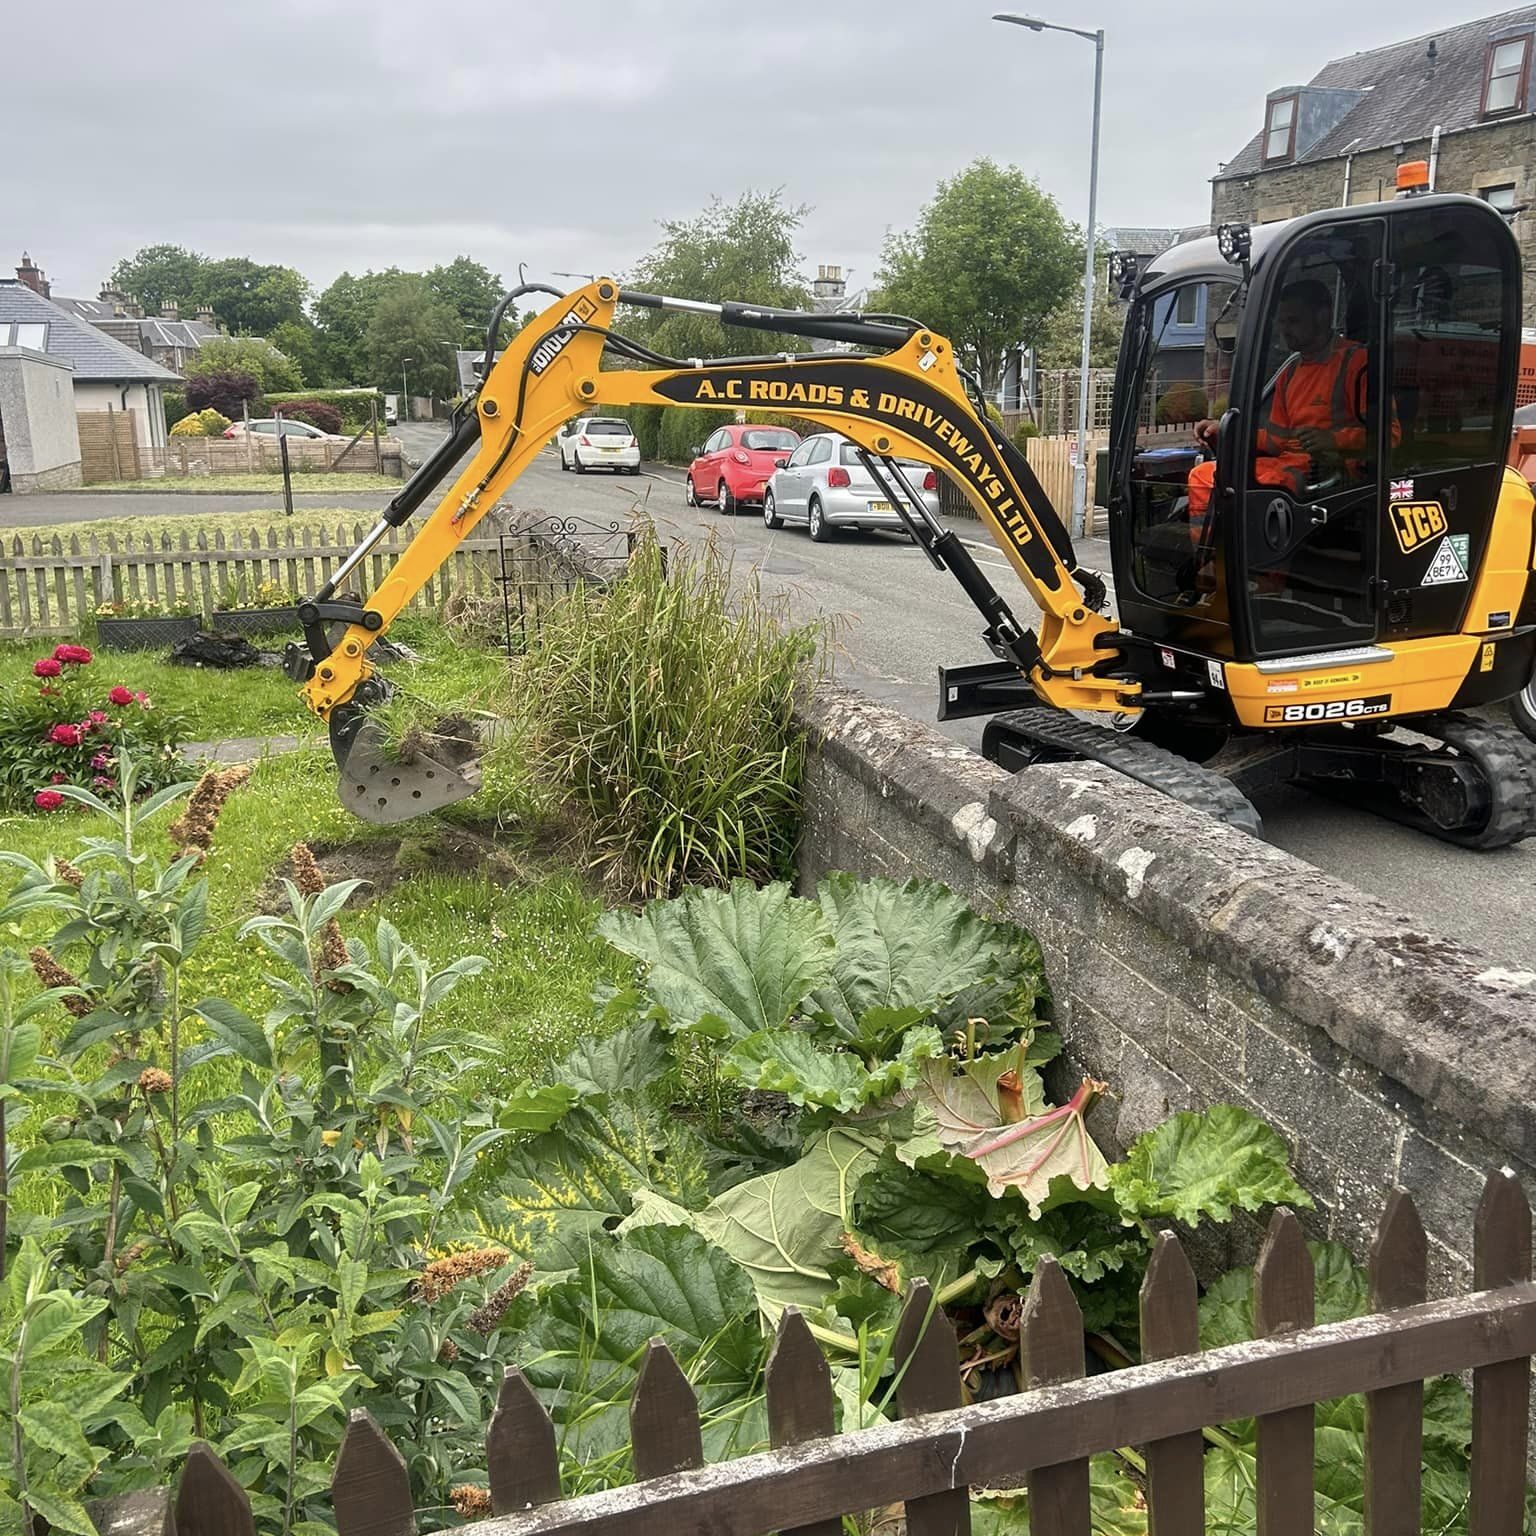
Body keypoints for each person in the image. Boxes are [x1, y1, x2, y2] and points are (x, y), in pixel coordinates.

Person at [1186, 279, 1371, 544]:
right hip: (1290, 464)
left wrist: (1334, 440)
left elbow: (1390, 436)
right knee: (1203, 475)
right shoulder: (1291, 371)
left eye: (1293, 321)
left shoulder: (1358, 362)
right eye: (1282, 321)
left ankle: (1254, 575)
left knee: (1257, 488)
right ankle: (1210, 560)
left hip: (1337, 472)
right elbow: (1276, 440)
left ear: (1322, 315)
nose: (1284, 329)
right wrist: (1225, 431)